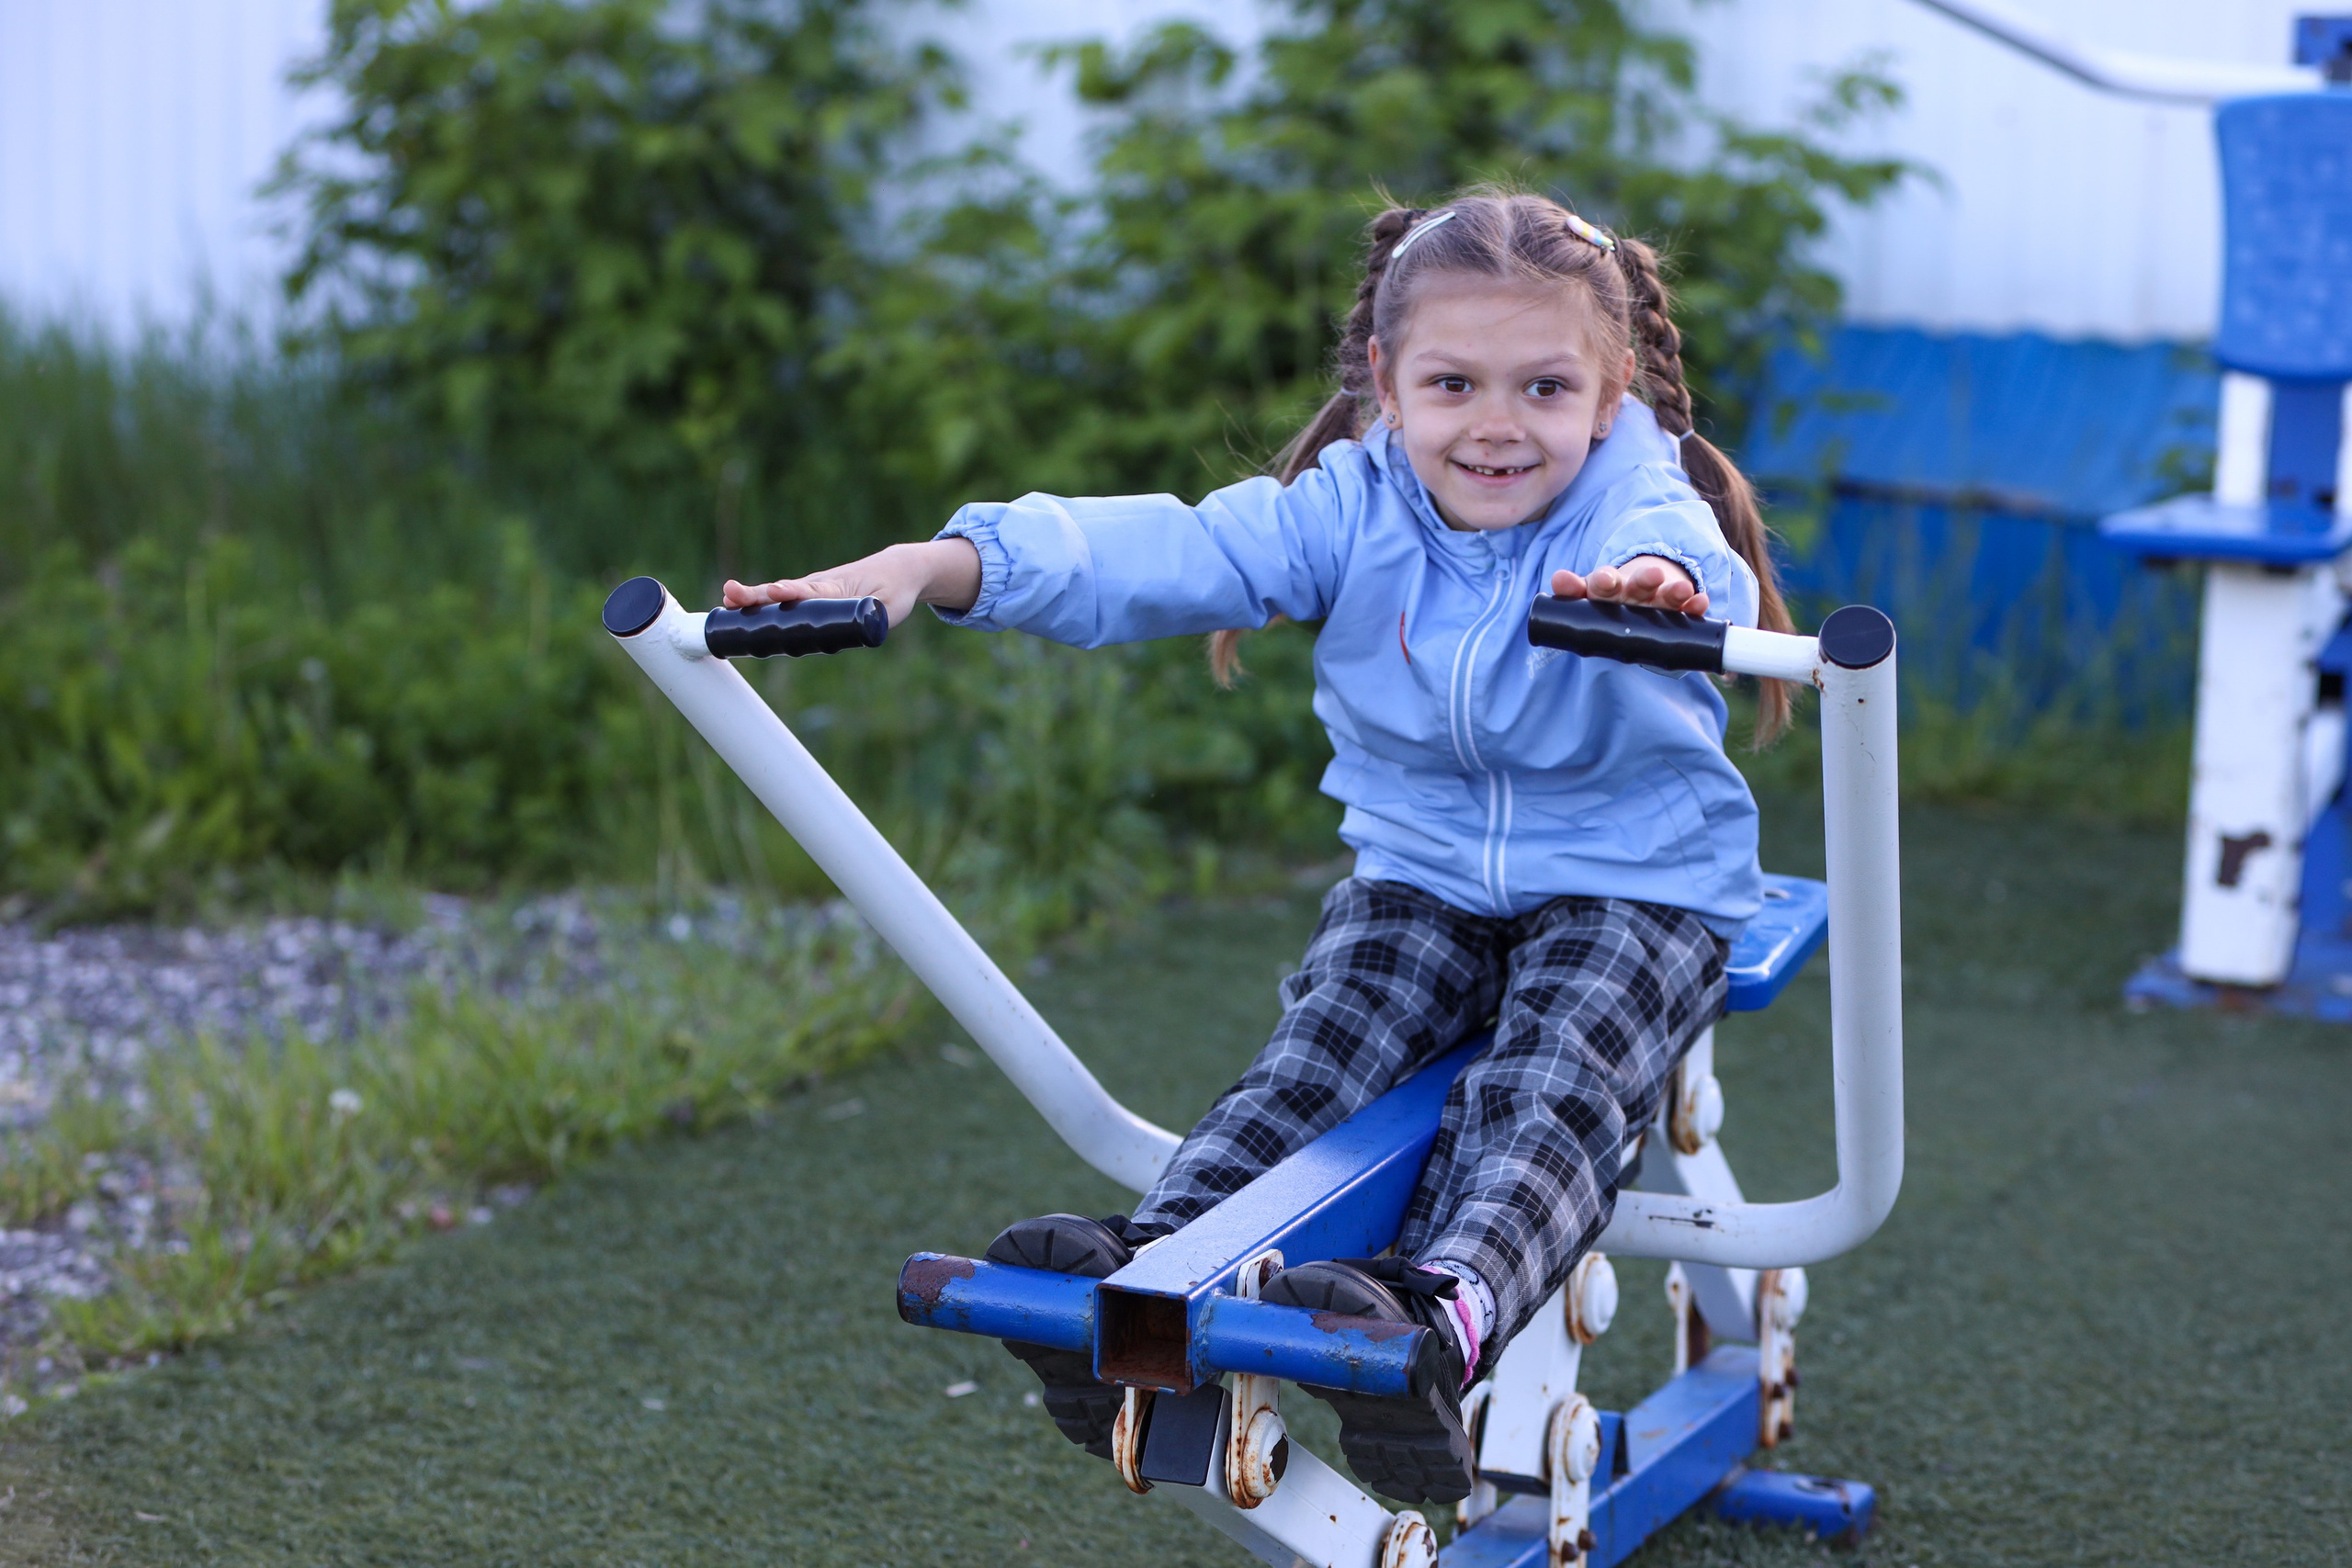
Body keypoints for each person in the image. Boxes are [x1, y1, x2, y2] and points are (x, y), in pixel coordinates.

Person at [724, 189, 1792, 1505]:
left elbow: (1681, 554)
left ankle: (1430, 1329)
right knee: (1317, 1061)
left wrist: (1658, 593)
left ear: (1611, 388)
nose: (1499, 425)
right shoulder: (1353, 504)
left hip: (1637, 884)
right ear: (1386, 385)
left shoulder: (1638, 503)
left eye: (1545, 387)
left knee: (1550, 1080)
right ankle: (1143, 1294)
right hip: (1423, 873)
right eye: (1454, 383)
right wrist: (935, 562)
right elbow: (1162, 550)